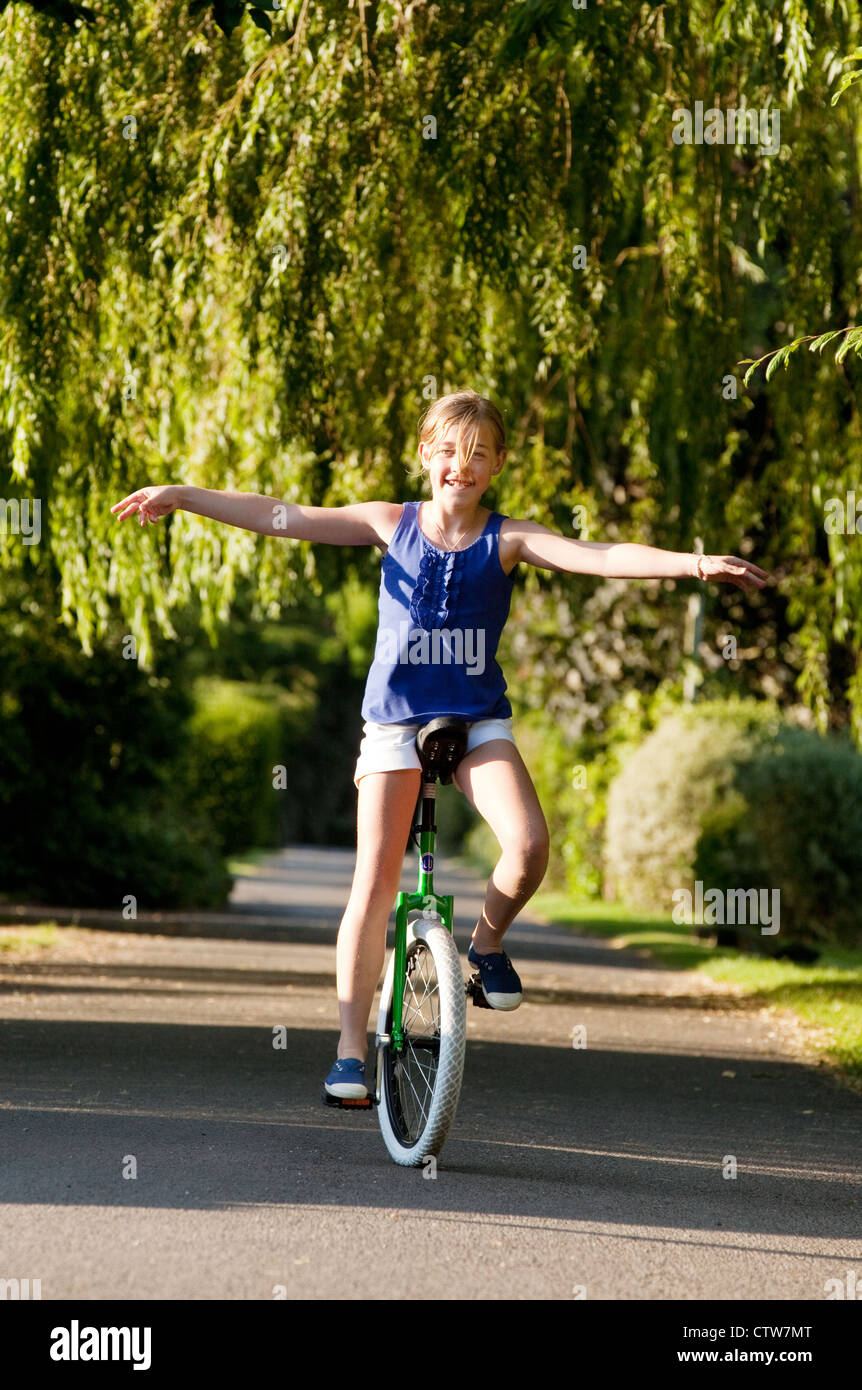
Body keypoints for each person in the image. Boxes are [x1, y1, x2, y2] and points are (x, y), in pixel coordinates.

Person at [111, 389, 767, 1101]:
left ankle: (484, 949)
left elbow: (599, 556)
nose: (464, 464)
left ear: (498, 465)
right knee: (375, 884)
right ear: (427, 453)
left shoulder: (509, 539)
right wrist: (184, 496)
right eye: (451, 449)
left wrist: (694, 565)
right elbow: (281, 516)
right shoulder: (389, 524)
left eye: (480, 453)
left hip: (476, 721)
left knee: (529, 846)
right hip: (394, 723)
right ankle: (350, 1053)